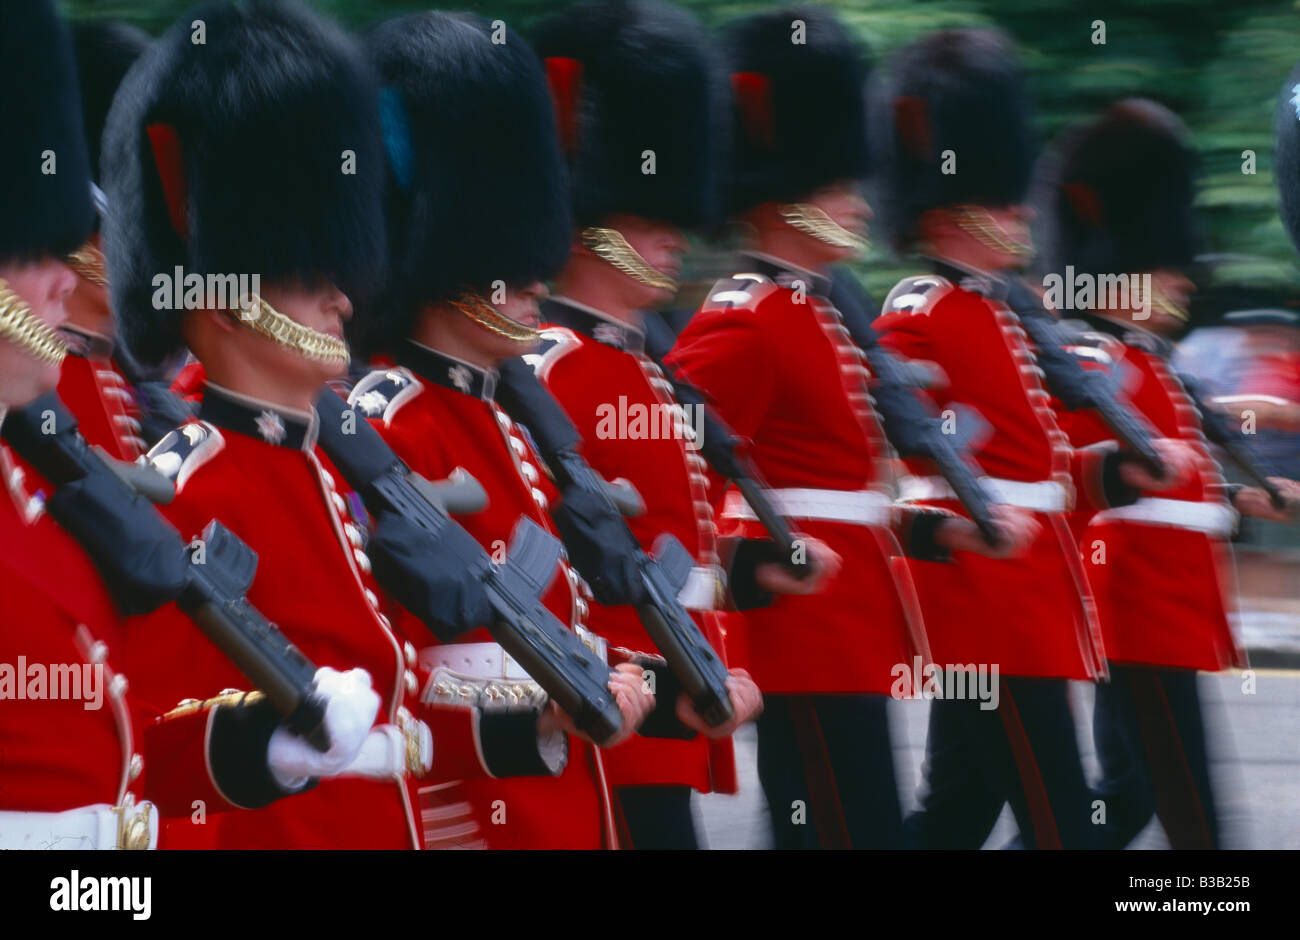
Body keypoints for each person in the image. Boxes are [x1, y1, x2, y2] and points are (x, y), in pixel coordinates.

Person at [102, 0, 526, 850]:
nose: (343, 296)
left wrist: (532, 728)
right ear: (220, 291)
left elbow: (405, 709)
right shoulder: (186, 496)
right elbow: (154, 773)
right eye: (307, 272)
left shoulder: (338, 477)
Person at [665, 8, 1035, 849]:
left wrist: (943, 531)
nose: (860, 203)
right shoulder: (748, 318)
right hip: (801, 627)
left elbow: (857, 489)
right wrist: (749, 563)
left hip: (853, 619)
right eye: (839, 186)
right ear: (787, 194)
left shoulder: (825, 307)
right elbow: (675, 469)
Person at [0, 0, 328, 851]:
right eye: (33, 252)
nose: (63, 281)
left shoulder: (29, 503)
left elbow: (119, 752)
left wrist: (262, 747)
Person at [872, 28, 1197, 849]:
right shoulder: (922, 311)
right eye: (1002, 194)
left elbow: (1043, 474)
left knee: (953, 817)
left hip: (1032, 603)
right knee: (1066, 821)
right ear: (947, 203)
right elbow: (892, 460)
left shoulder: (1007, 315)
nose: (1020, 209)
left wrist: (1126, 473)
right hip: (988, 609)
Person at [352, 10, 661, 850]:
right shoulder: (388, 423)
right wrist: (537, 715)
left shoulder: (508, 419)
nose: (536, 276)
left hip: (560, 798)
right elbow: (387, 663)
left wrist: (623, 671)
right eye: (508, 258)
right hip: (471, 813)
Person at [529, 0, 792, 851]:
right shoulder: (550, 367)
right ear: (586, 212)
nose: (674, 236)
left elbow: (684, 533)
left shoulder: (642, 366)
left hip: (672, 690)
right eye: (650, 216)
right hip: (607, 703)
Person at [1041, 100, 1299, 848]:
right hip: (1136, 609)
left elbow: (1168, 479)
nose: (1183, 282)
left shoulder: (1150, 364)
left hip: (1168, 606)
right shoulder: (1092, 364)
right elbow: (1072, 479)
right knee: (1194, 817)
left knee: (1123, 803)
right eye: (1165, 269)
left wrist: (1241, 494)